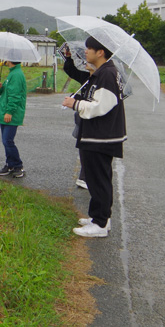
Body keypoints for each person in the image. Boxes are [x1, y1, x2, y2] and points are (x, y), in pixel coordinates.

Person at [62, 36, 127, 238]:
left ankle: (99, 224)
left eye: (89, 49)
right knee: (97, 178)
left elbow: (101, 106)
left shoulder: (107, 74)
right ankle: (100, 217)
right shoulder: (101, 73)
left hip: (101, 137)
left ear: (100, 52)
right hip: (98, 136)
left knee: (98, 180)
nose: (86, 52)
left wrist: (75, 105)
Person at [62, 45, 92, 189]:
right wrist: (68, 58)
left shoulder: (103, 78)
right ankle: (85, 176)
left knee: (89, 147)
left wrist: (77, 101)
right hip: (82, 117)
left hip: (91, 119)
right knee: (83, 146)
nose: (85, 58)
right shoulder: (87, 76)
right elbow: (71, 70)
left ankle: (86, 177)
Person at [0, 60, 27, 178]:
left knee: (7, 141)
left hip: (11, 114)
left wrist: (9, 112)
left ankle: (18, 165)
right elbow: (7, 93)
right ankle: (10, 164)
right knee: (6, 141)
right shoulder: (12, 73)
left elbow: (15, 96)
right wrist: (0, 88)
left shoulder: (16, 74)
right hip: (5, 112)